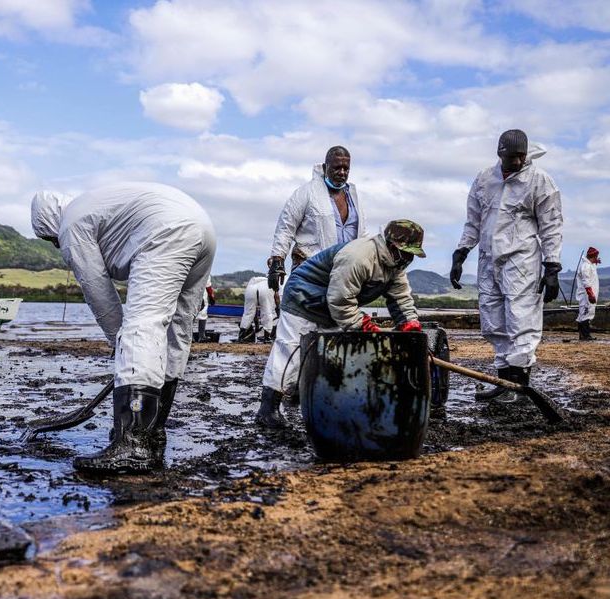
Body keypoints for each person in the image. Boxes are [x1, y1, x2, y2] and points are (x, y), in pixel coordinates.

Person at [30, 183, 216, 474]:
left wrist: (123, 345)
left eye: (50, 239)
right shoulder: (91, 205)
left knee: (141, 326)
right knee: (176, 331)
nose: (56, 244)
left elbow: (98, 293)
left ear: (50, 224)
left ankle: (133, 443)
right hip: (203, 228)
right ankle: (151, 433)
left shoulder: (71, 224)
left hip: (165, 231)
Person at [257, 220, 425, 429]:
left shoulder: (395, 267)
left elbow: (401, 298)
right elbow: (340, 300)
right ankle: (268, 409)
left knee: (330, 354)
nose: (408, 259)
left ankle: (306, 397)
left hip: (329, 307)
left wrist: (409, 323)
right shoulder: (359, 257)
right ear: (392, 245)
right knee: (290, 351)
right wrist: (361, 324)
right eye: (406, 253)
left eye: (412, 255)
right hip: (303, 297)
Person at [450, 129, 564, 404]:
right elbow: (474, 220)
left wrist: (552, 267)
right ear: (500, 153)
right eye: (512, 156)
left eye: (522, 156)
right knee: (493, 317)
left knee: (520, 316)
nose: (518, 161)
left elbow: (551, 225)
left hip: (521, 258)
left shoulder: (539, 181)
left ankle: (519, 383)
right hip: (489, 259)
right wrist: (461, 251)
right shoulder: (484, 179)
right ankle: (503, 380)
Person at [266, 146, 369, 291]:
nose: (342, 172)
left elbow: (362, 235)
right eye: (337, 168)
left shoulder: (354, 199)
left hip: (344, 275)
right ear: (326, 167)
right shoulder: (306, 193)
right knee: (302, 313)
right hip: (309, 271)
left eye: (346, 169)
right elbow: (286, 227)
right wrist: (277, 261)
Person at [238, 275, 276, 342]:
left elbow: (254, 313)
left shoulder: (254, 282)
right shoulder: (272, 283)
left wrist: (257, 326)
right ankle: (267, 337)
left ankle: (242, 336)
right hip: (266, 287)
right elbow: (277, 301)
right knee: (267, 311)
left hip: (251, 286)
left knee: (248, 312)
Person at [576, 247, 601, 341]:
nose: (596, 258)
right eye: (596, 257)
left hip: (589, 294)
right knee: (586, 313)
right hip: (586, 295)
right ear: (592, 256)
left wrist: (596, 262)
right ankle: (585, 335)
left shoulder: (589, 264)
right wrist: (590, 294)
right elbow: (586, 281)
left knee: (586, 312)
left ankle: (583, 335)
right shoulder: (585, 266)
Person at [194, 277, 216, 342]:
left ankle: (189, 337)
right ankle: (201, 336)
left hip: (188, 291)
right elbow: (208, 285)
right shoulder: (205, 268)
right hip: (201, 292)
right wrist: (211, 296)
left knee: (188, 314)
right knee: (202, 314)